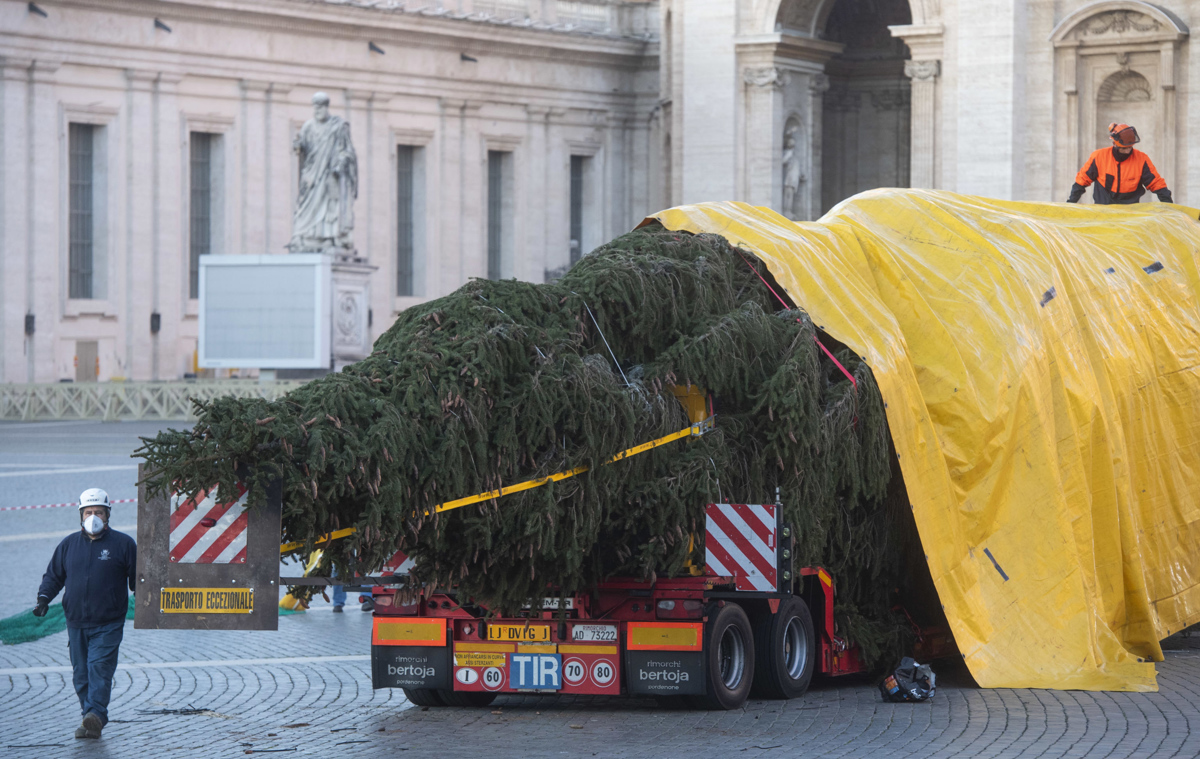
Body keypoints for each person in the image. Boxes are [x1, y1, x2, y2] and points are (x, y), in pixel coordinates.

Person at [34, 488, 136, 740]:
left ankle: (96, 715)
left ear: (108, 514)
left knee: (99, 668)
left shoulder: (123, 544)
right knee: (81, 675)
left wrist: (149, 601)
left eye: (98, 512)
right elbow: (54, 576)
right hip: (76, 622)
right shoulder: (68, 545)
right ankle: (89, 718)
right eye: (89, 512)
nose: (94, 516)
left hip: (109, 622)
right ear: (80, 515)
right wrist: (44, 599)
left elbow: (139, 580)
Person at [1067, 123, 1173, 205]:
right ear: (1114, 144)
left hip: (1130, 214)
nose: (1128, 151)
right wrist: (1071, 202)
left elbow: (1156, 183)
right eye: (1124, 148)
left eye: (1130, 148)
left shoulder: (1141, 159)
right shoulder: (1099, 157)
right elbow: (1081, 181)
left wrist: (1169, 205)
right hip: (1103, 212)